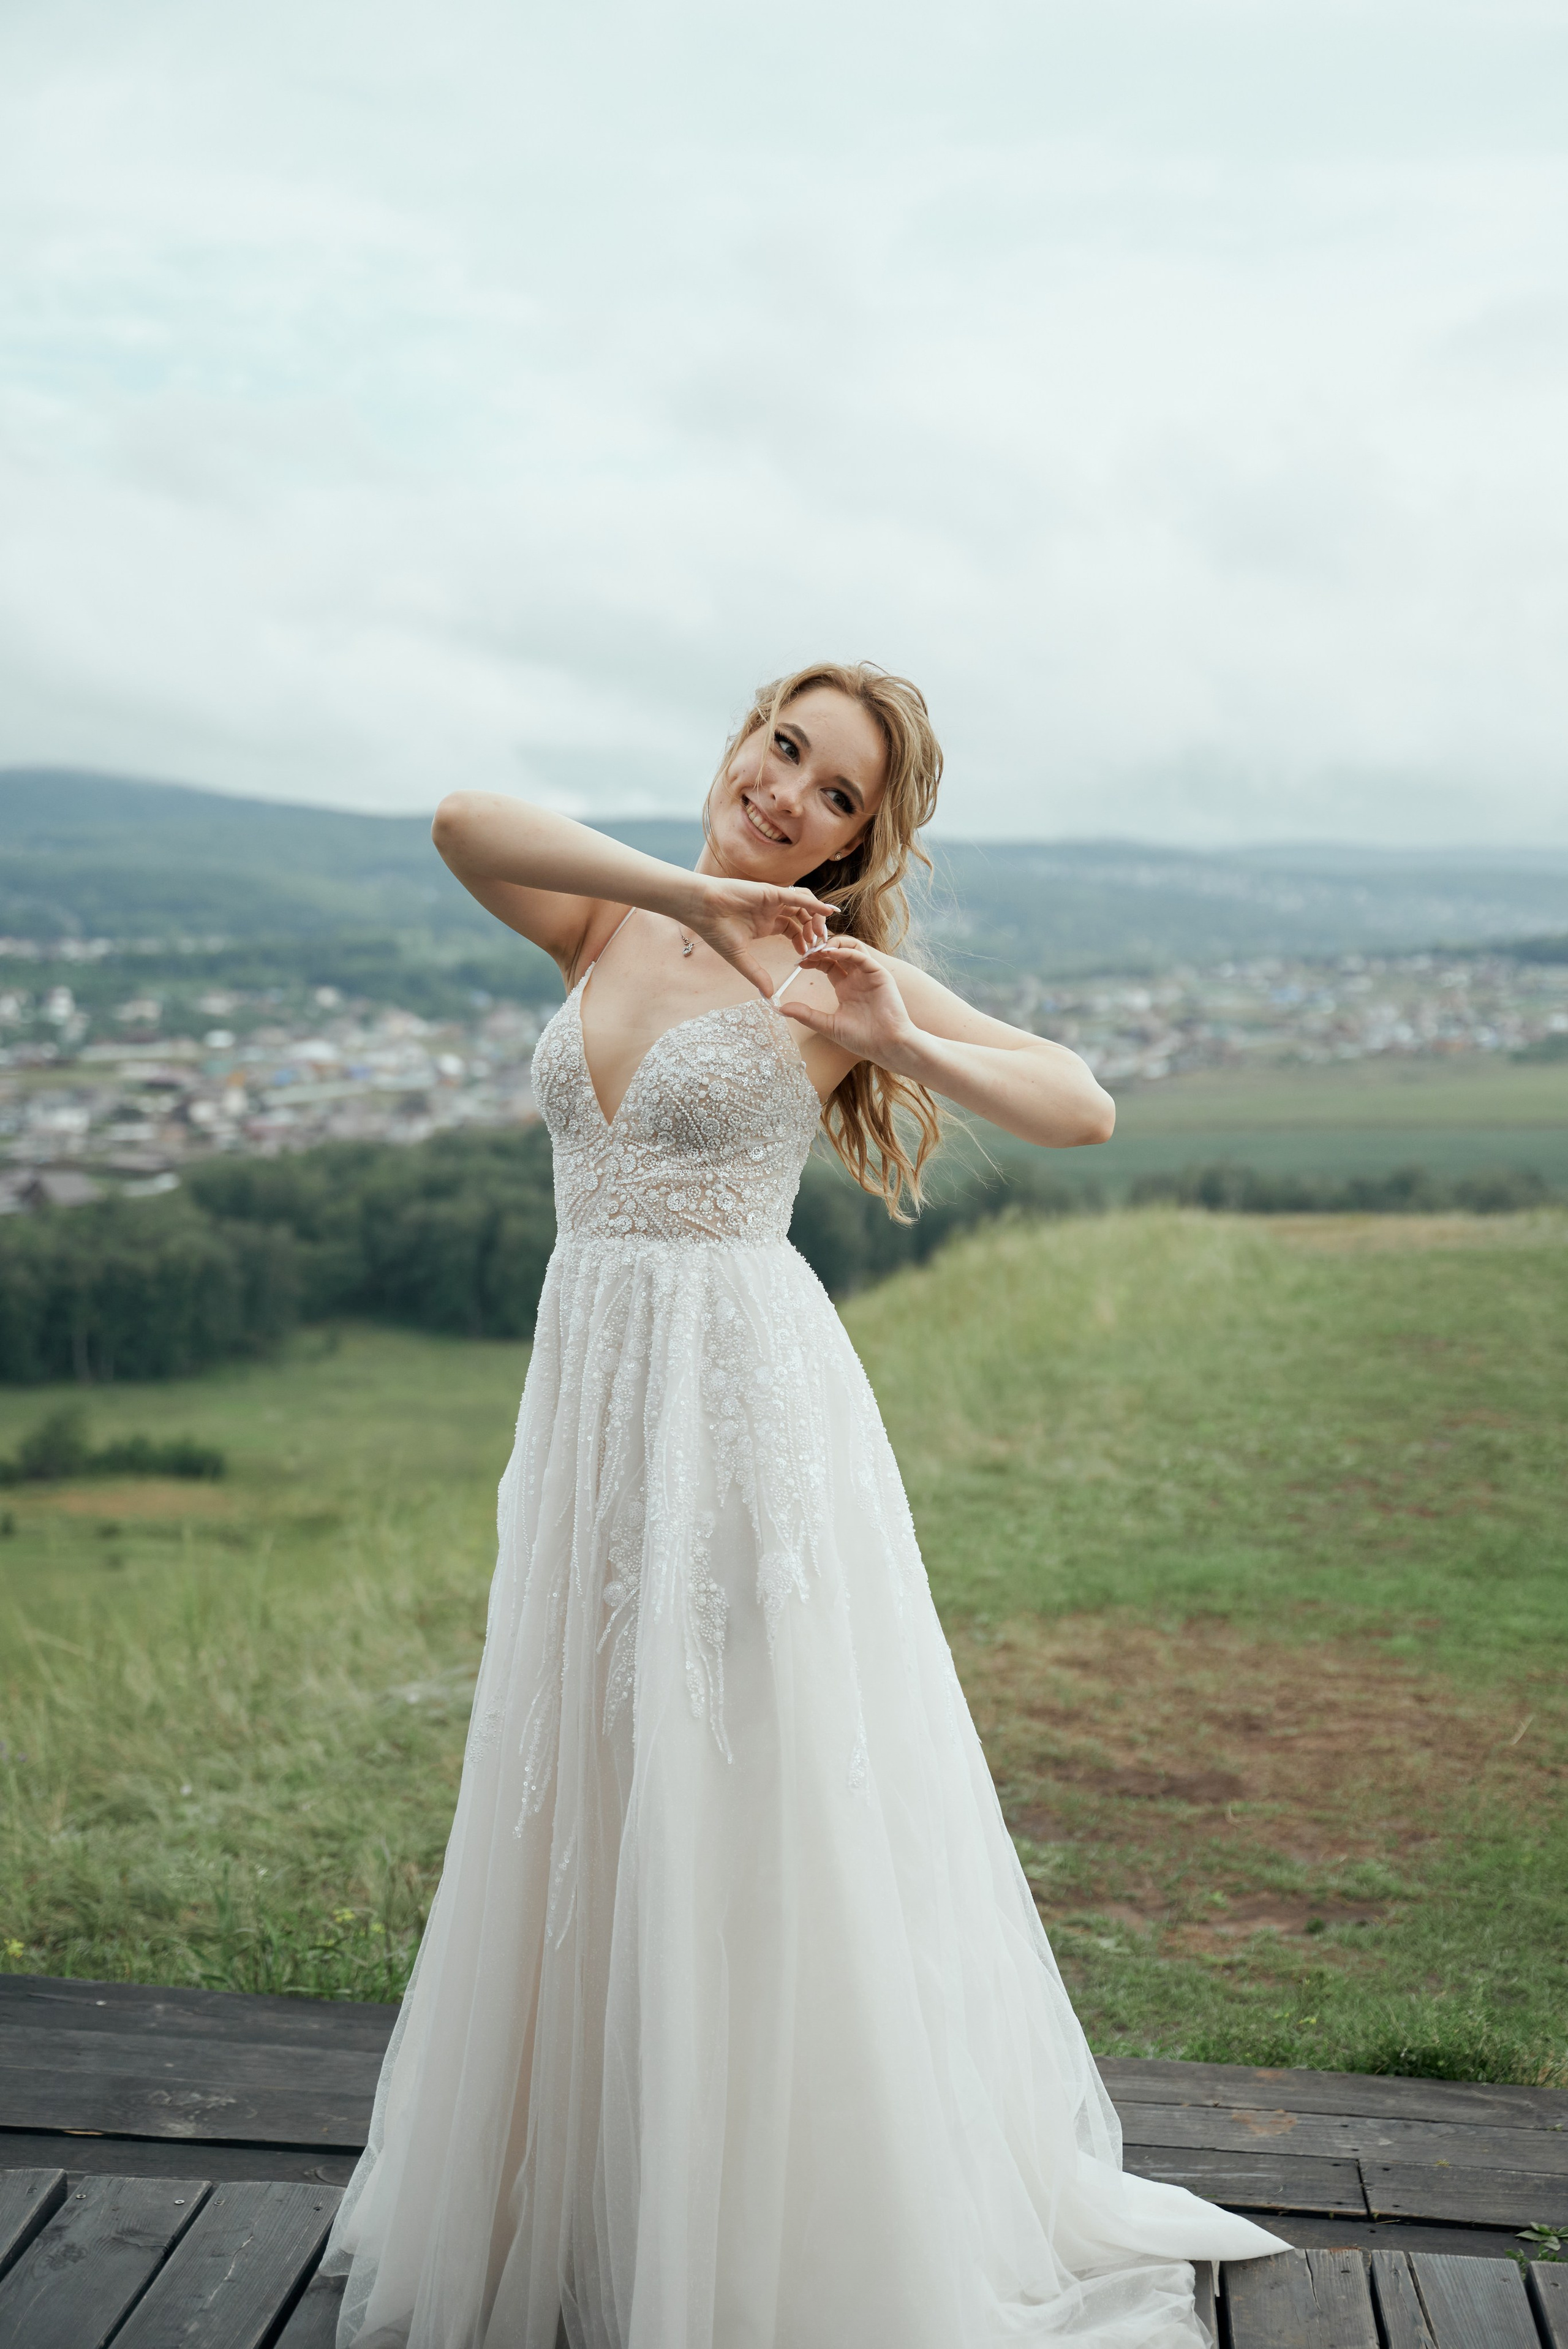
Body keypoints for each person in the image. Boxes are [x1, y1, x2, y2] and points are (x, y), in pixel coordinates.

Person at [322, 662, 1286, 2348]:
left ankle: (760, 2212)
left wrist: (891, 1026)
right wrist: (682, 882)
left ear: (856, 841)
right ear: (741, 738)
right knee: (593, 1757)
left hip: (743, 1410)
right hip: (592, 1407)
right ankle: (609, 2181)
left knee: (744, 1782)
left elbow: (1083, 1103)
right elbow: (459, 819)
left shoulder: (824, 967)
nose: (789, 795)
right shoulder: (607, 922)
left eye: (834, 793)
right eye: (785, 750)